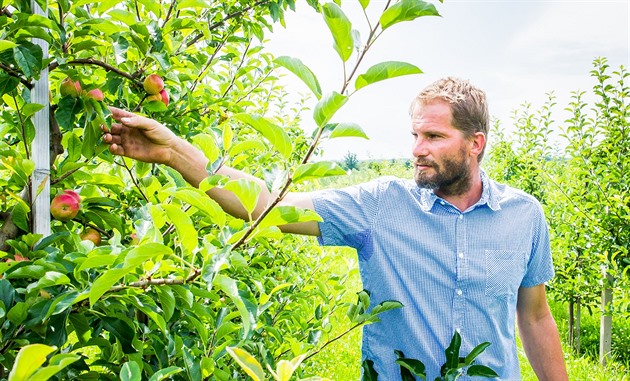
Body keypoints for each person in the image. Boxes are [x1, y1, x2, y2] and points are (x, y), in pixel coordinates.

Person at [102, 77, 568, 380]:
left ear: (475, 144)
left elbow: (534, 317)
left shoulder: (524, 216)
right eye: (415, 135)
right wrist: (177, 153)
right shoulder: (381, 204)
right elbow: (266, 206)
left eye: (433, 137)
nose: (417, 149)